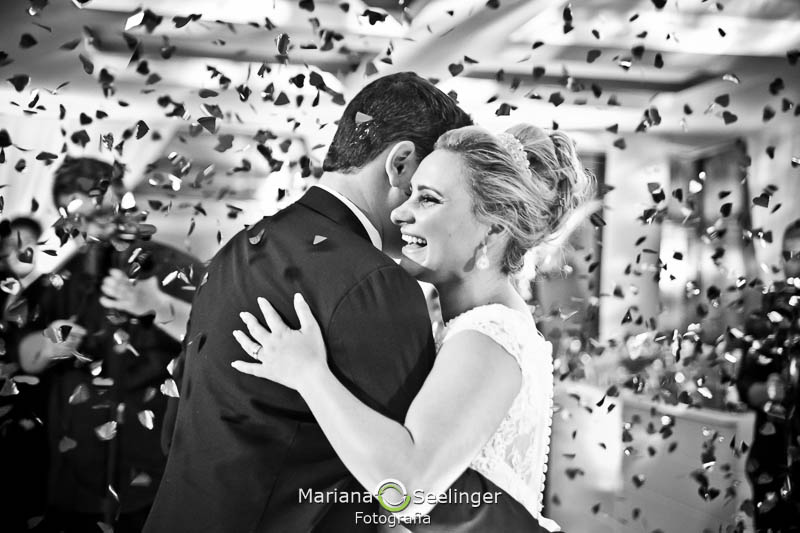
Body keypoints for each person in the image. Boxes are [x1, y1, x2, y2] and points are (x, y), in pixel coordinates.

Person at [143, 72, 485, 533]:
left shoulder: (237, 251)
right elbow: (401, 490)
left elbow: (177, 423)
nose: (414, 213)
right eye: (424, 191)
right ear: (400, 164)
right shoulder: (376, 283)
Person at [231, 124, 594, 531]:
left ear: (493, 228)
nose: (400, 212)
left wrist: (307, 372)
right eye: (410, 194)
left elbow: (407, 490)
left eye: (428, 199)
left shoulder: (489, 337)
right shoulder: (472, 327)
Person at [13, 156, 200, 533]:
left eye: (101, 203)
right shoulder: (59, 279)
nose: (94, 219)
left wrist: (153, 306)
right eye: (80, 213)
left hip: (157, 468)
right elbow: (21, 353)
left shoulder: (171, 265)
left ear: (122, 196)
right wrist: (47, 348)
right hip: (78, 472)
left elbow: (213, 337)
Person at [738, 218, 800, 531]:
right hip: (772, 471)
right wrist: (771, 391)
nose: (795, 267)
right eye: (789, 257)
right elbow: (744, 386)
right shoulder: (766, 318)